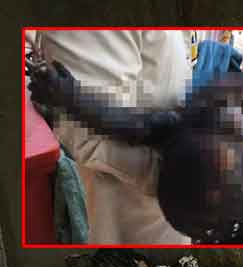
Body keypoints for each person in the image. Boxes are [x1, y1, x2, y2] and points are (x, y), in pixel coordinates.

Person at [28, 54, 243, 243]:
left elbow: (121, 122)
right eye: (234, 128)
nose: (233, 113)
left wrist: (68, 96)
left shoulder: (176, 129)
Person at [33, 30, 192, 244]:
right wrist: (72, 97)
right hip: (139, 209)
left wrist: (71, 97)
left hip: (165, 205)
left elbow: (142, 128)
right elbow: (101, 136)